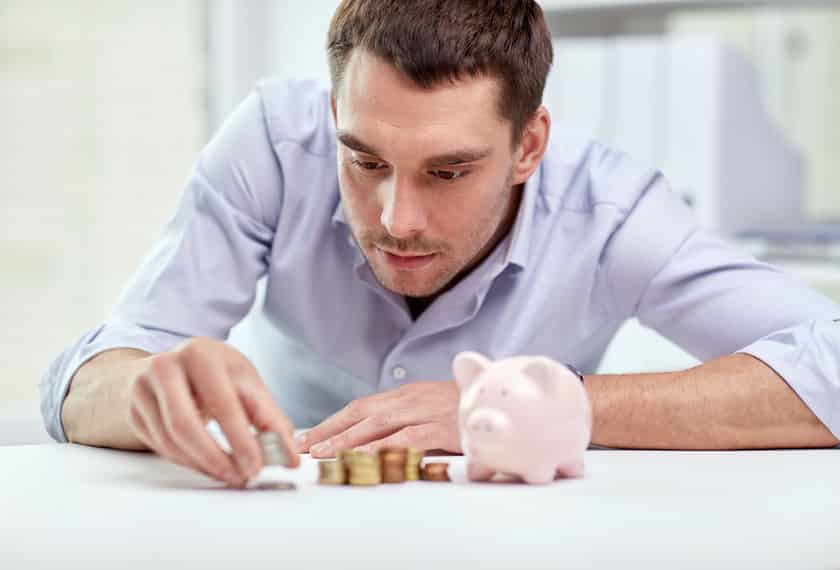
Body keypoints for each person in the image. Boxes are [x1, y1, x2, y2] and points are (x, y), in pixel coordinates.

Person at [42, 0, 840, 488]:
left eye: (449, 170)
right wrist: (139, 392)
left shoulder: (612, 213)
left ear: (529, 146)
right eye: (365, 161)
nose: (397, 218)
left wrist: (552, 406)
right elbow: (88, 377)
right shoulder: (273, 146)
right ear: (333, 115)